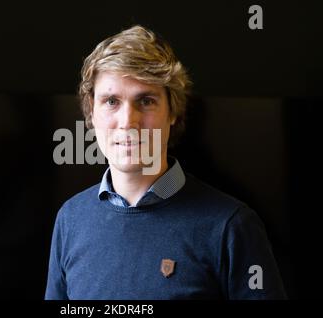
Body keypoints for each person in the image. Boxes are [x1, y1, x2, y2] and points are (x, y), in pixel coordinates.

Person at [45, 25, 287, 300]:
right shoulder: (70, 219)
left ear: (172, 110)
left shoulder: (232, 225)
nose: (128, 122)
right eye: (111, 101)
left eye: (146, 101)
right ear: (91, 110)